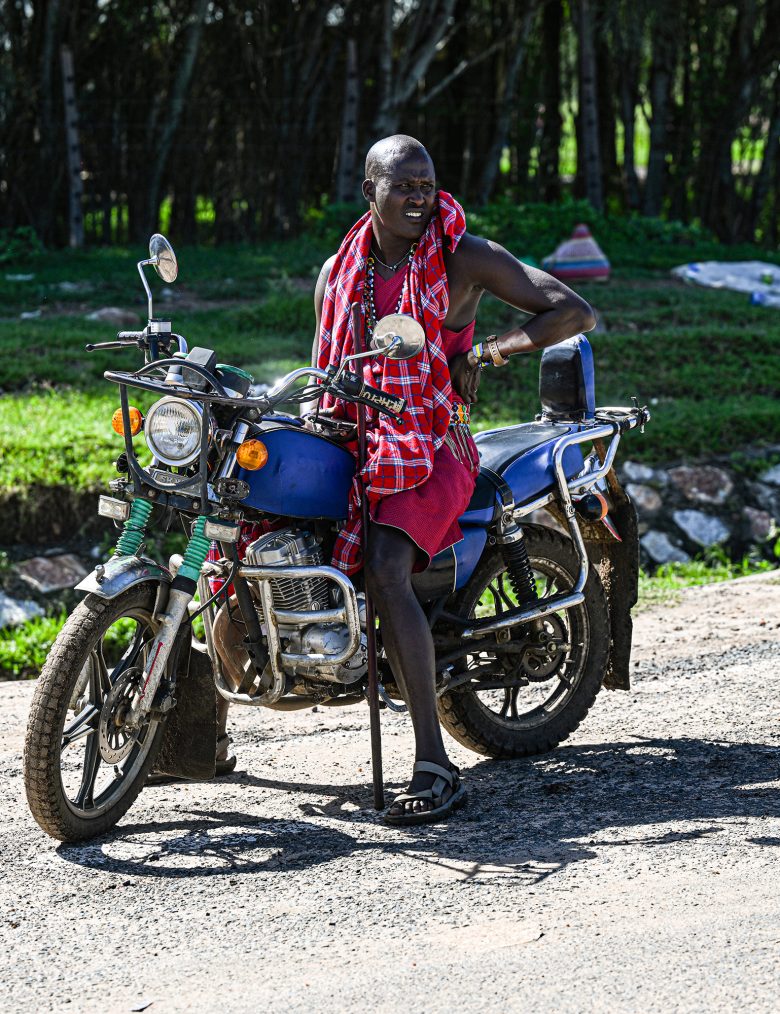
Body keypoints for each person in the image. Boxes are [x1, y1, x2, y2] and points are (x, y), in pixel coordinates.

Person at [312, 134, 595, 825]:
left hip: (435, 441)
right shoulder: (339, 270)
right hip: (357, 433)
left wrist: (489, 351)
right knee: (252, 521)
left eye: (426, 185)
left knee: (386, 568)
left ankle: (435, 763)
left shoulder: (461, 255)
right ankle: (200, 731)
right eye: (403, 185)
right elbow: (324, 363)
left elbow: (572, 311)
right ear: (370, 192)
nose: (419, 197)